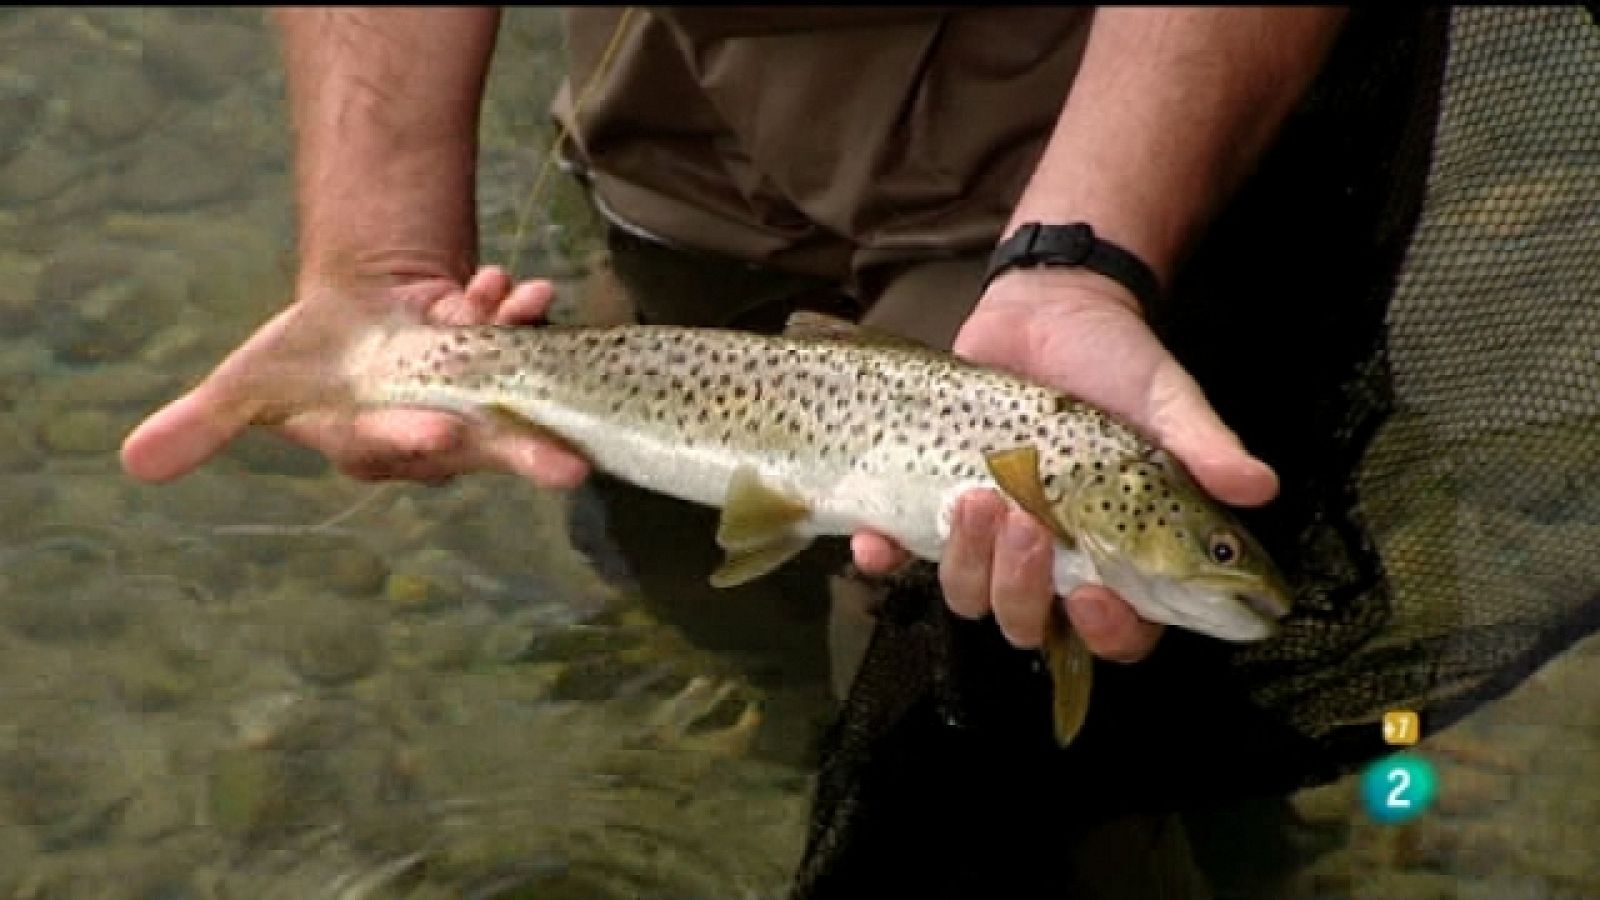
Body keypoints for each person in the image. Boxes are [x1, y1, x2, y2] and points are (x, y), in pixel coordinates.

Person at [120, 6, 1346, 894]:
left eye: (1212, 545)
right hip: (668, 84)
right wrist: (378, 262)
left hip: (1080, 105)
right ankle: (787, 732)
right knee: (677, 556)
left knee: (964, 702)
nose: (1219, 557)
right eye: (1209, 544)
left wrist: (1085, 259)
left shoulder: (1086, 471)